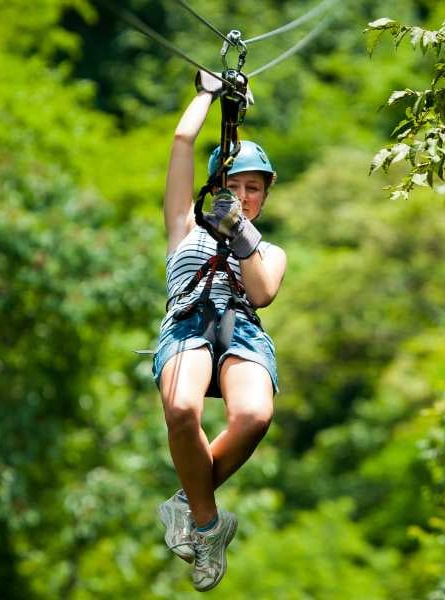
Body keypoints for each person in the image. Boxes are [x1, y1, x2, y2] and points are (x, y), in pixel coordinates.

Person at [153, 71, 286, 592]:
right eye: (233, 187)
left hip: (242, 331)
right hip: (188, 322)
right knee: (183, 410)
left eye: (253, 189)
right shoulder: (183, 226)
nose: (243, 195)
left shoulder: (269, 250)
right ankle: (208, 524)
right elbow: (183, 141)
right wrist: (207, 95)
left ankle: (188, 501)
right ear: (215, 189)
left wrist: (241, 232)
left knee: (254, 414)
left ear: (264, 198)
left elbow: (262, 293)